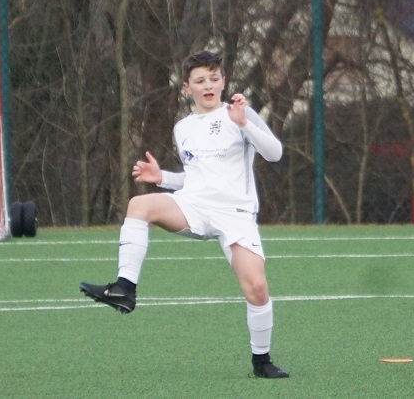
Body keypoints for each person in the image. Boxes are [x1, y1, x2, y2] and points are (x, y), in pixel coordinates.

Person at [80, 50, 289, 379]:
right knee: (139, 205)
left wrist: (244, 124)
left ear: (223, 82)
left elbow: (275, 154)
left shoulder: (239, 114)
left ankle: (261, 362)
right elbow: (196, 179)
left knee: (257, 289)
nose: (208, 85)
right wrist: (161, 177)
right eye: (200, 81)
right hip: (194, 206)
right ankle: (124, 288)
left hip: (235, 215)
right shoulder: (183, 128)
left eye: (214, 79)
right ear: (187, 88)